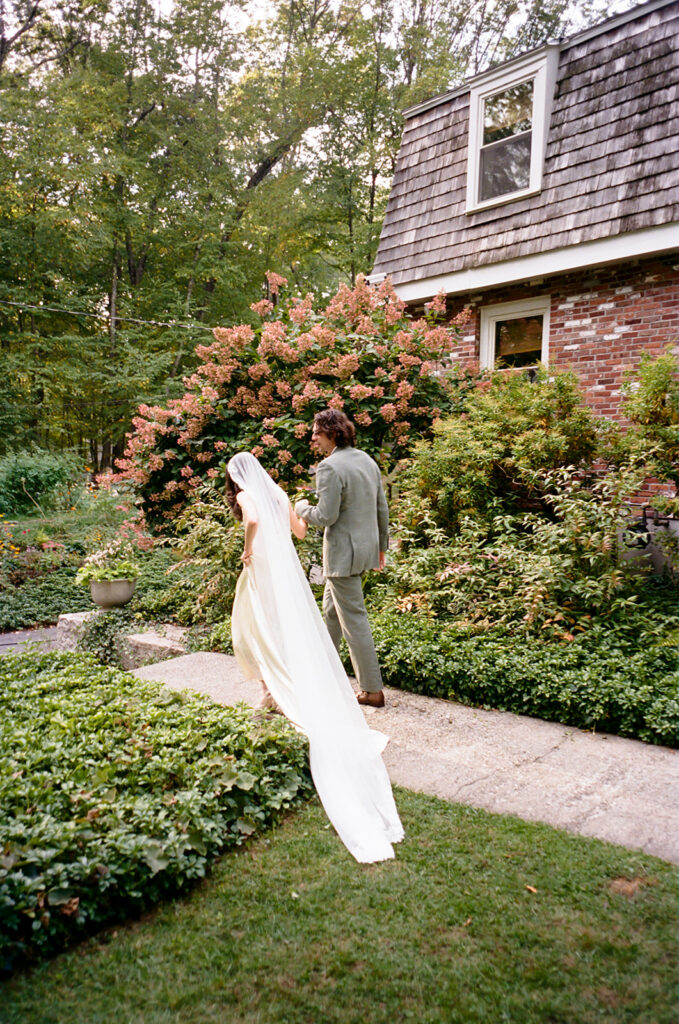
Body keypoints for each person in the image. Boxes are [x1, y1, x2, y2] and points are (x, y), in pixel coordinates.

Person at [226, 451, 403, 864]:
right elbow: (302, 532)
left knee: (259, 631)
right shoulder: (281, 494)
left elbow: (251, 521)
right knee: (288, 630)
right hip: (286, 573)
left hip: (264, 570)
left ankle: (274, 692)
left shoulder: (249, 495)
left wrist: (249, 550)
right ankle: (283, 687)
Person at [294, 409, 388, 708]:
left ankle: (372, 690)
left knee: (354, 619)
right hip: (363, 550)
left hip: (342, 555)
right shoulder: (367, 460)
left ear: (332, 432)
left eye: (316, 432)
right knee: (332, 612)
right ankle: (324, 674)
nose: (312, 437)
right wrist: (381, 548)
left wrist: (300, 508)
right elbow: (381, 508)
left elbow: (325, 516)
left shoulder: (329, 467)